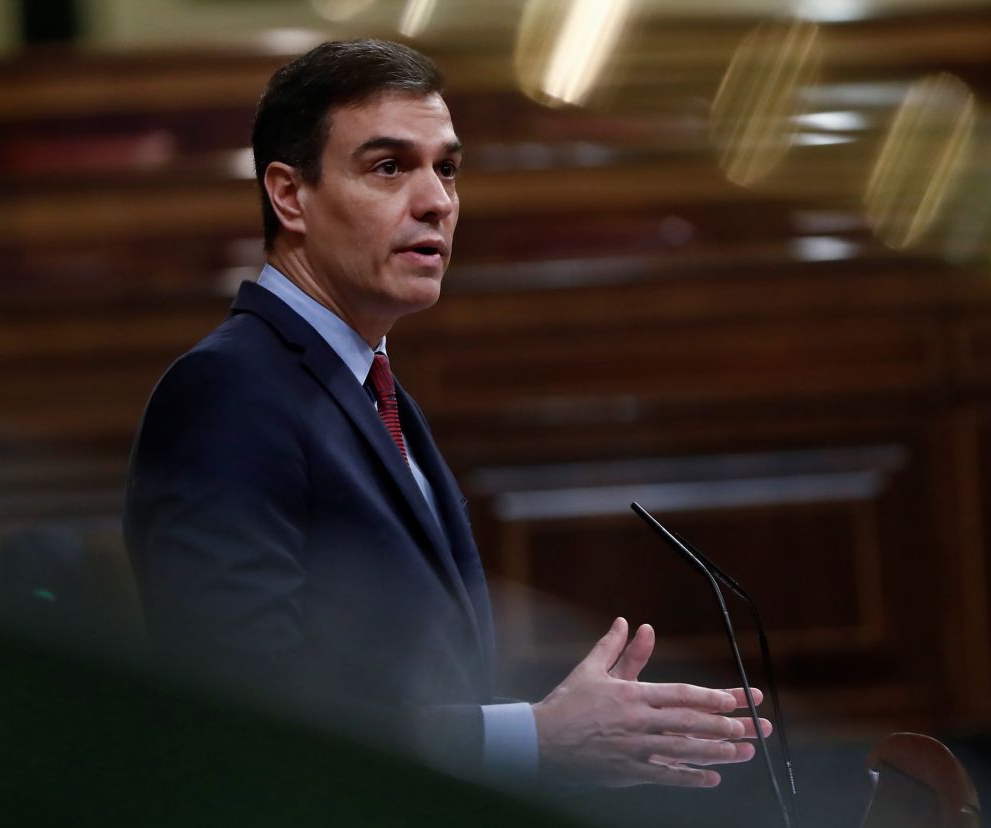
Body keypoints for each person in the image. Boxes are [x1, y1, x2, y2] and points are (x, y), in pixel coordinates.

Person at [125, 38, 766, 787]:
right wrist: (537, 738)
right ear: (289, 195)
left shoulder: (368, 386)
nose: (435, 200)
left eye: (448, 168)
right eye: (389, 166)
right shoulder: (229, 391)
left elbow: (412, 688)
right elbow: (250, 713)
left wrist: (561, 750)